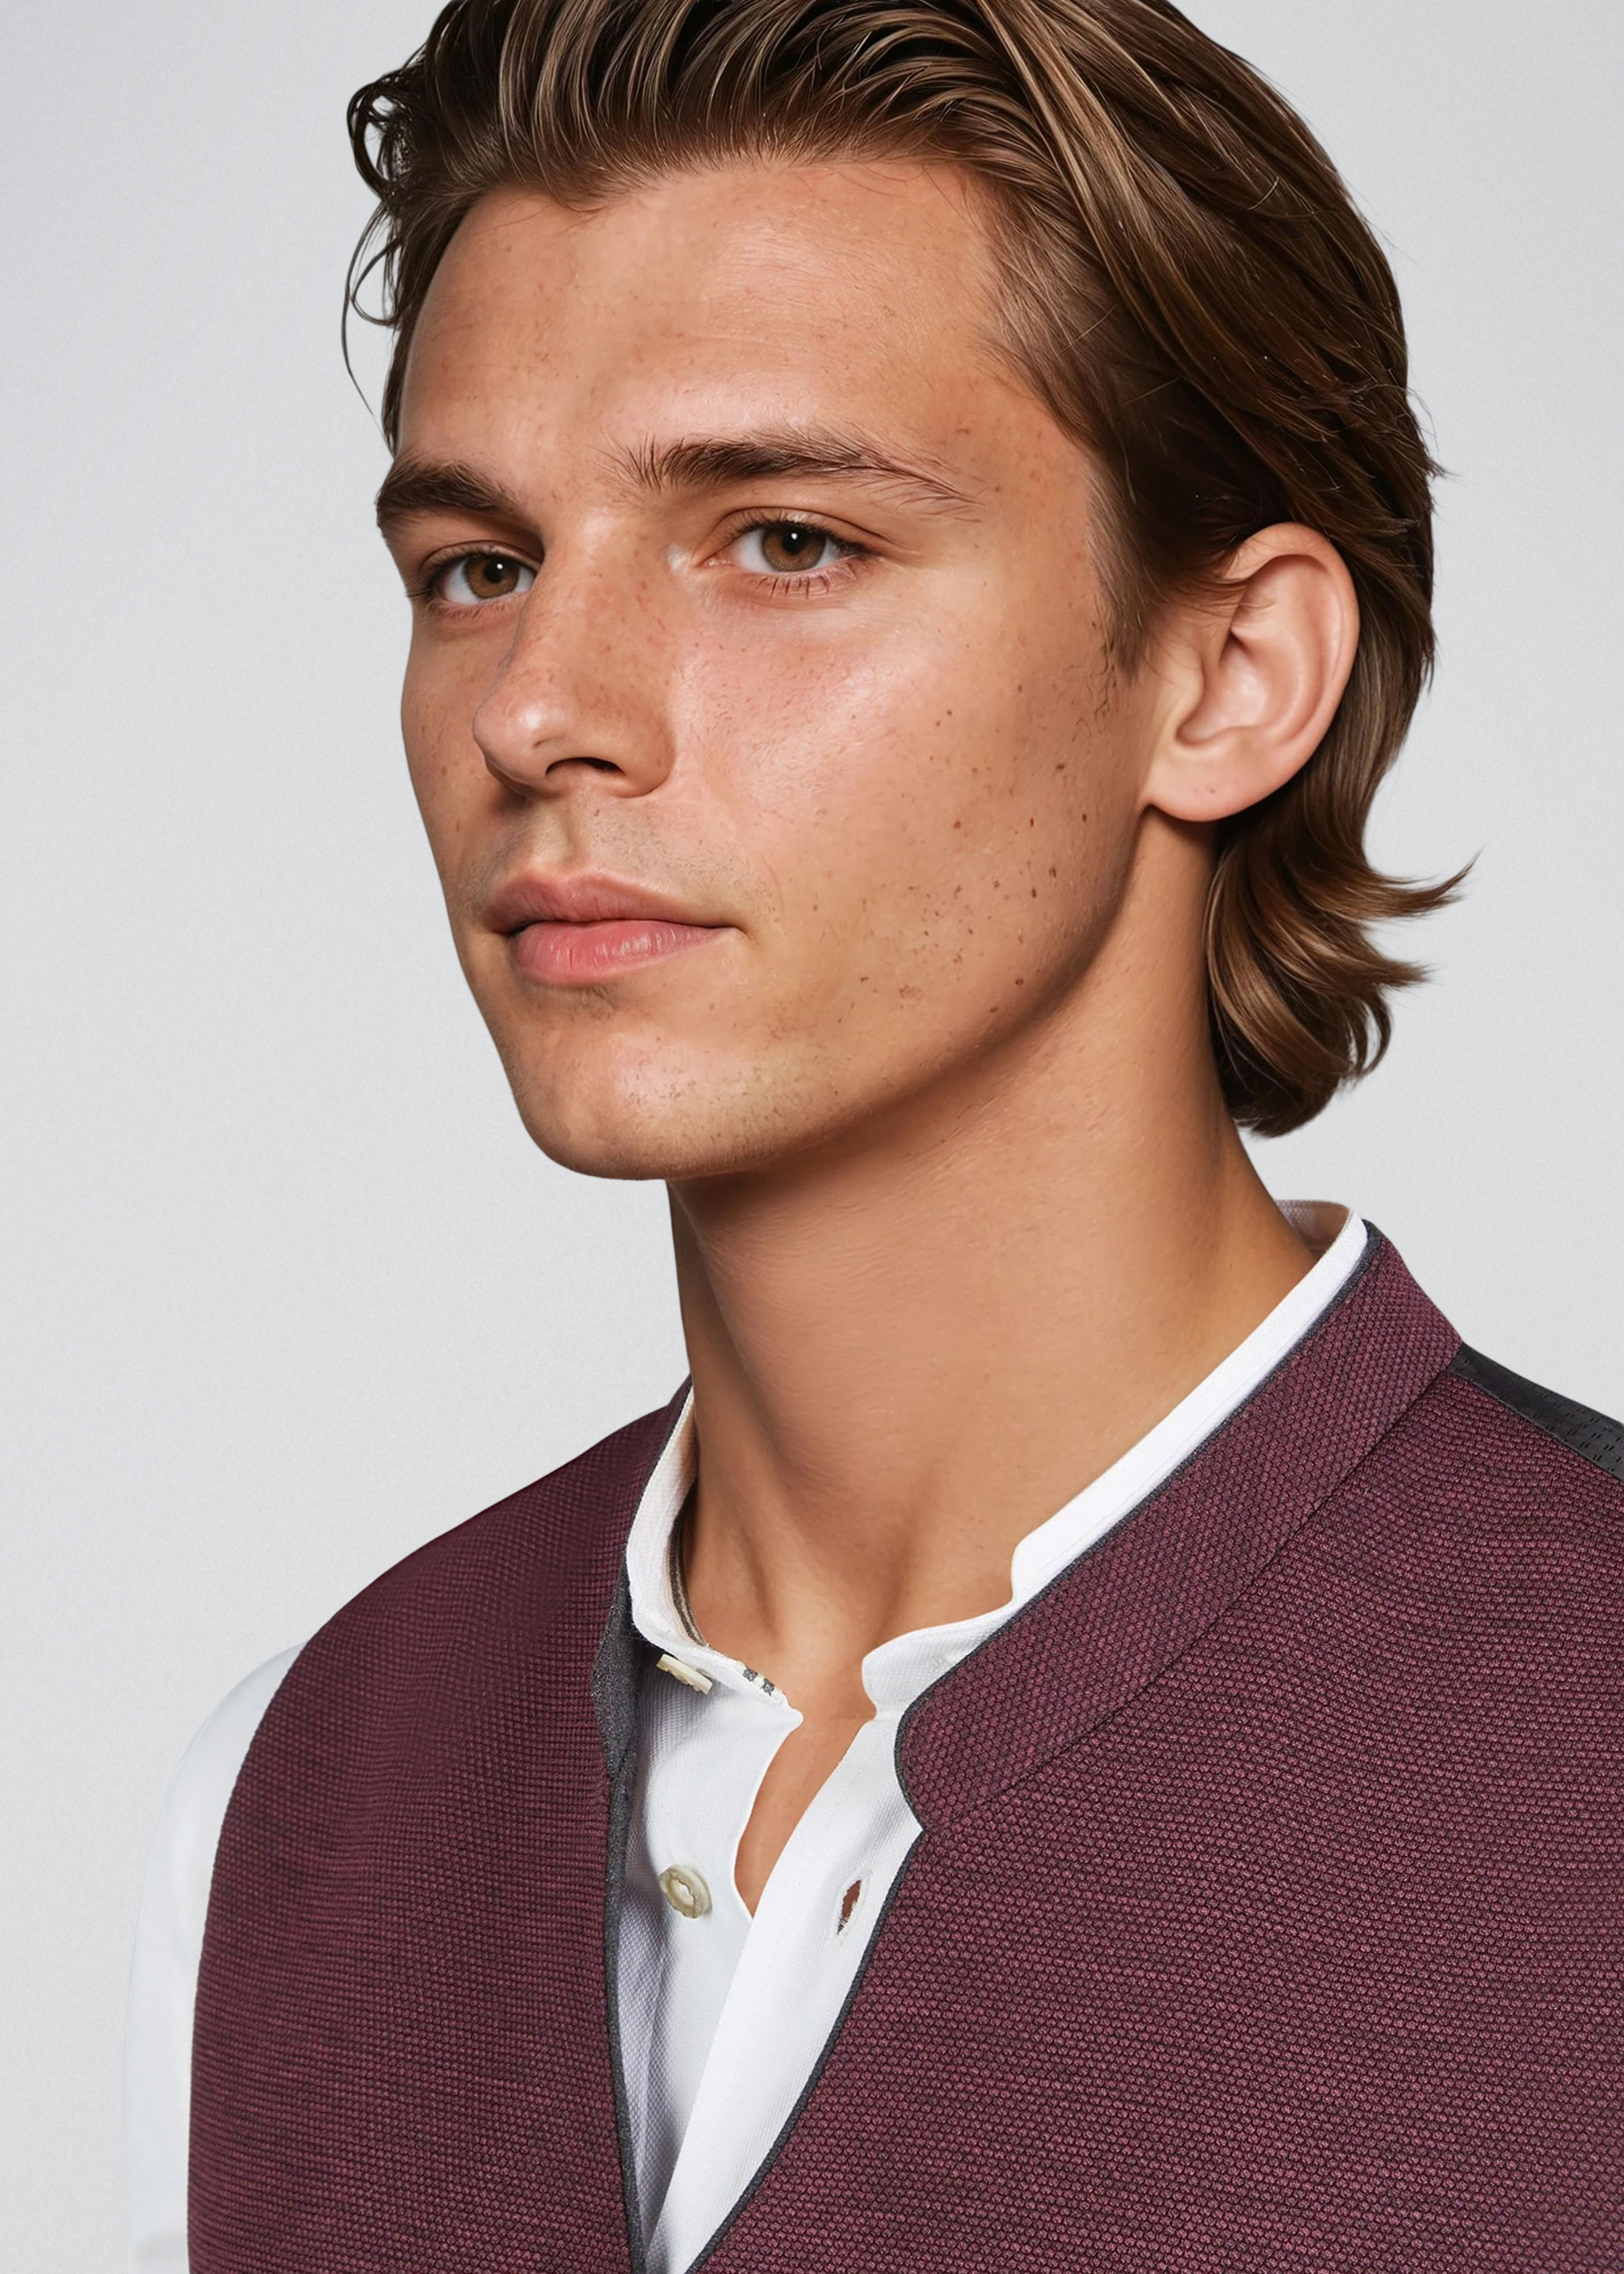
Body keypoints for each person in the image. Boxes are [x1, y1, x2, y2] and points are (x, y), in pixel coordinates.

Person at [125, 2, 1624, 2268]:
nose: (541, 709)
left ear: (1230, 675)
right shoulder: (303, 1799)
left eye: (786, 541)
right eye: (477, 565)